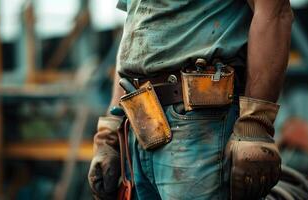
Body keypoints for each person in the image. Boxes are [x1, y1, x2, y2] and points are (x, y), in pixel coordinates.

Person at [88, 0, 294, 199]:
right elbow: (134, 31)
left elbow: (274, 11)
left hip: (200, 122)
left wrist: (255, 124)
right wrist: (110, 130)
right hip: (140, 121)